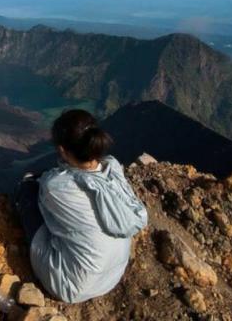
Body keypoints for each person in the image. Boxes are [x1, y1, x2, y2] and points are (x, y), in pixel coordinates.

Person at [14, 109, 148, 304]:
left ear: (61, 150)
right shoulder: (113, 168)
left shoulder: (56, 187)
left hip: (71, 286)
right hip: (112, 277)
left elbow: (45, 189)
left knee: (27, 188)